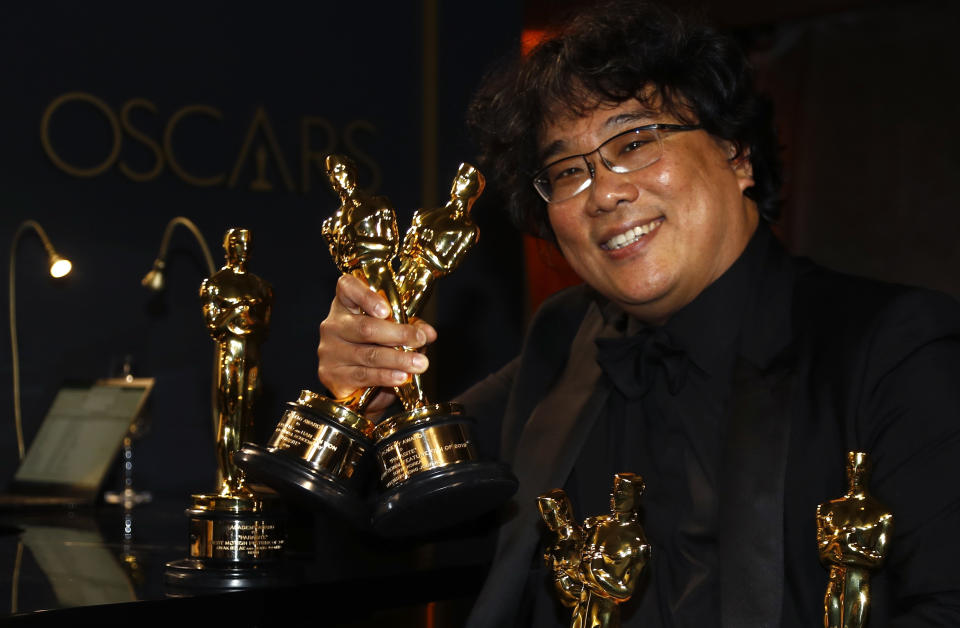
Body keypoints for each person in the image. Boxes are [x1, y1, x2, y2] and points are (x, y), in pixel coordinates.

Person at [313, 1, 960, 626]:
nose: (606, 191)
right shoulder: (565, 342)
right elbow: (400, 518)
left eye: (636, 142)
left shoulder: (897, 348)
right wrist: (364, 402)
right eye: (568, 170)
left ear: (737, 154)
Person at [200, 228, 273, 498]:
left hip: (252, 354)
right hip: (230, 352)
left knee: (249, 418)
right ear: (227, 247)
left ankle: (242, 479)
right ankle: (229, 479)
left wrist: (247, 318)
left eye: (246, 243)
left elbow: (264, 328)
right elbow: (213, 325)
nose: (242, 248)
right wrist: (237, 312)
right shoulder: (216, 284)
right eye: (237, 243)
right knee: (230, 417)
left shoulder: (261, 286)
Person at [816, 451, 894, 628]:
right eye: (852, 468)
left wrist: (846, 547)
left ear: (868, 470)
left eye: (860, 468)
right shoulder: (827, 509)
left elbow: (876, 560)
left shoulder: (881, 514)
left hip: (858, 584)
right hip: (834, 582)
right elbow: (824, 555)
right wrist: (840, 542)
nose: (855, 473)